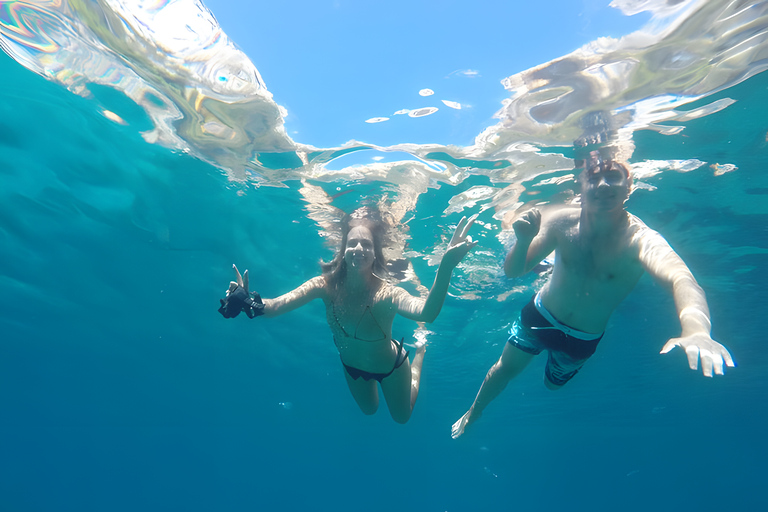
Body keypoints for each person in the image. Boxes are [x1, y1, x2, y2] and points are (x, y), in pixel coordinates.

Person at [451, 157, 734, 438]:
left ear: (629, 188)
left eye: (612, 177)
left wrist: (697, 329)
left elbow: (682, 280)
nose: (602, 184)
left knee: (553, 386)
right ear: (581, 188)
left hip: (580, 338)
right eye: (594, 178)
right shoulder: (562, 221)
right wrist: (524, 240)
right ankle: (474, 412)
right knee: (504, 369)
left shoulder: (641, 240)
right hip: (540, 315)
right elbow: (514, 272)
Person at [219, 208, 477, 424]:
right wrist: (248, 300)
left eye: (366, 244)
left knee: (402, 418)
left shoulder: (387, 293)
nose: (358, 248)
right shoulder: (323, 286)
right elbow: (275, 306)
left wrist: (446, 267)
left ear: (375, 253)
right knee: (369, 410)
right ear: (342, 251)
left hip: (391, 366)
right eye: (352, 242)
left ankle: (418, 355)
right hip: (352, 367)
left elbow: (427, 313)